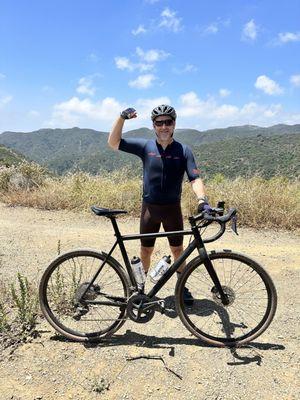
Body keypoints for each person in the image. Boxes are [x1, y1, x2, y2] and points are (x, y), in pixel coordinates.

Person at [108, 105, 211, 305]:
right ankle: (140, 289)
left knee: (178, 251)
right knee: (145, 251)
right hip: (150, 210)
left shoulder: (183, 151)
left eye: (168, 122)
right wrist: (121, 118)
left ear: (174, 124)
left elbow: (194, 179)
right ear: (153, 126)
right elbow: (113, 142)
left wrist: (202, 200)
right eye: (159, 123)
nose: (164, 126)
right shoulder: (146, 147)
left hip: (173, 209)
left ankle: (182, 287)